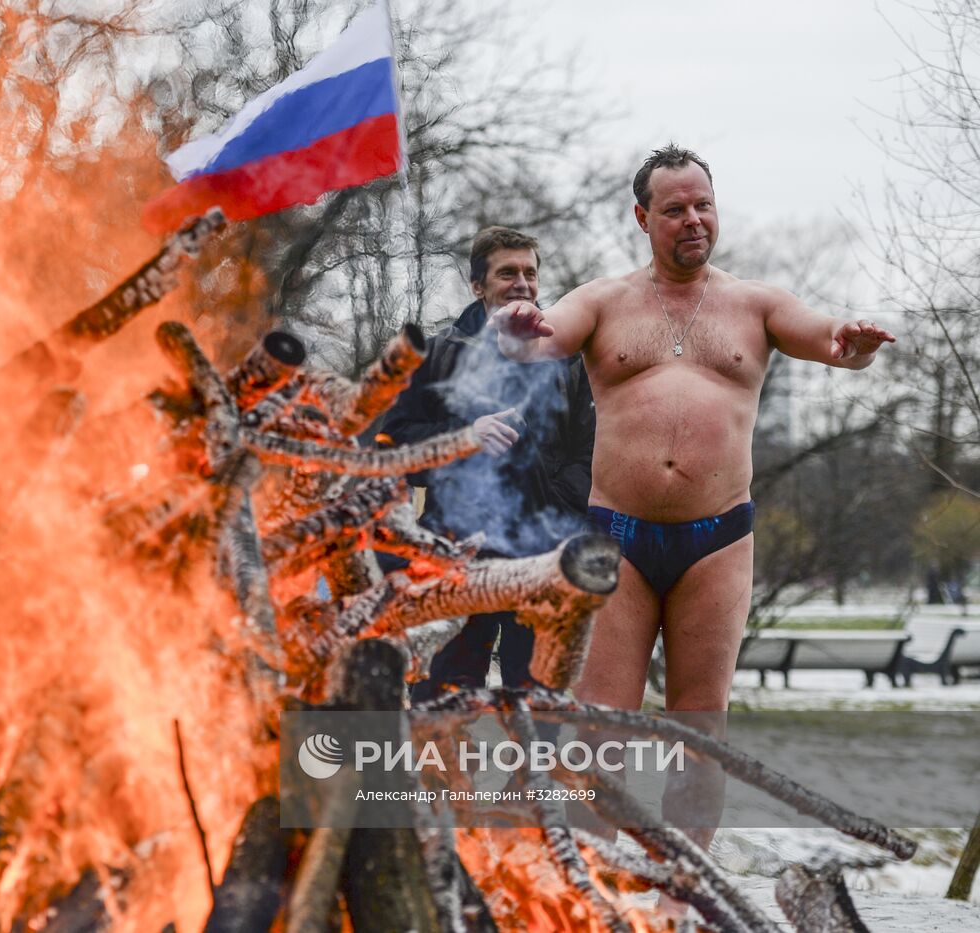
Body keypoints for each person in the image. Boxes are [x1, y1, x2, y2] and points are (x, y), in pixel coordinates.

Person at [491, 147, 897, 901]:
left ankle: (685, 899)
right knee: (602, 728)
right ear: (643, 217)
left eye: (703, 203)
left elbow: (827, 337)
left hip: (717, 540)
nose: (694, 219)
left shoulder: (756, 304)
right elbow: (541, 337)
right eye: (675, 208)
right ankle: (594, 897)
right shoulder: (606, 300)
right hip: (619, 539)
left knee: (700, 730)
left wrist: (852, 345)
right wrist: (519, 326)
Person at [381, 226, 596, 700]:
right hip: (455, 558)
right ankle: (442, 777)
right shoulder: (436, 355)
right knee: (441, 702)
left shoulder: (567, 359)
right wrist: (462, 440)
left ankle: (529, 778)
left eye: (530, 273)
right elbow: (390, 446)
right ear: (477, 285)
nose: (522, 283)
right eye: (507, 273)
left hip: (540, 561)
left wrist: (552, 508)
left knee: (539, 707)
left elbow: (591, 454)